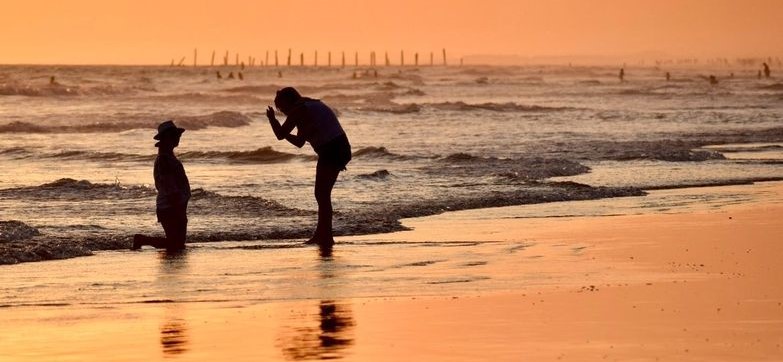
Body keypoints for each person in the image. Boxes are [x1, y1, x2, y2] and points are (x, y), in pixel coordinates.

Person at [265, 87, 351, 247]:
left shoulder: (299, 110)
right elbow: (299, 142)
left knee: (322, 195)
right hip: (339, 147)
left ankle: (325, 236)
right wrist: (281, 130)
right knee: (322, 195)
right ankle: (322, 235)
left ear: (288, 101)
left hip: (332, 149)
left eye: (281, 107)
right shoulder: (310, 105)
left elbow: (280, 134)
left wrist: (272, 120)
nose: (282, 111)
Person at [132, 120, 191, 251]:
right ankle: (141, 239)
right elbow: (169, 187)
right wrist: (178, 207)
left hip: (173, 205)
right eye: (176, 135)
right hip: (171, 206)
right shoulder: (164, 160)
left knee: (177, 244)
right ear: (168, 137)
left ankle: (142, 239)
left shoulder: (167, 157)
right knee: (176, 244)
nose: (179, 138)